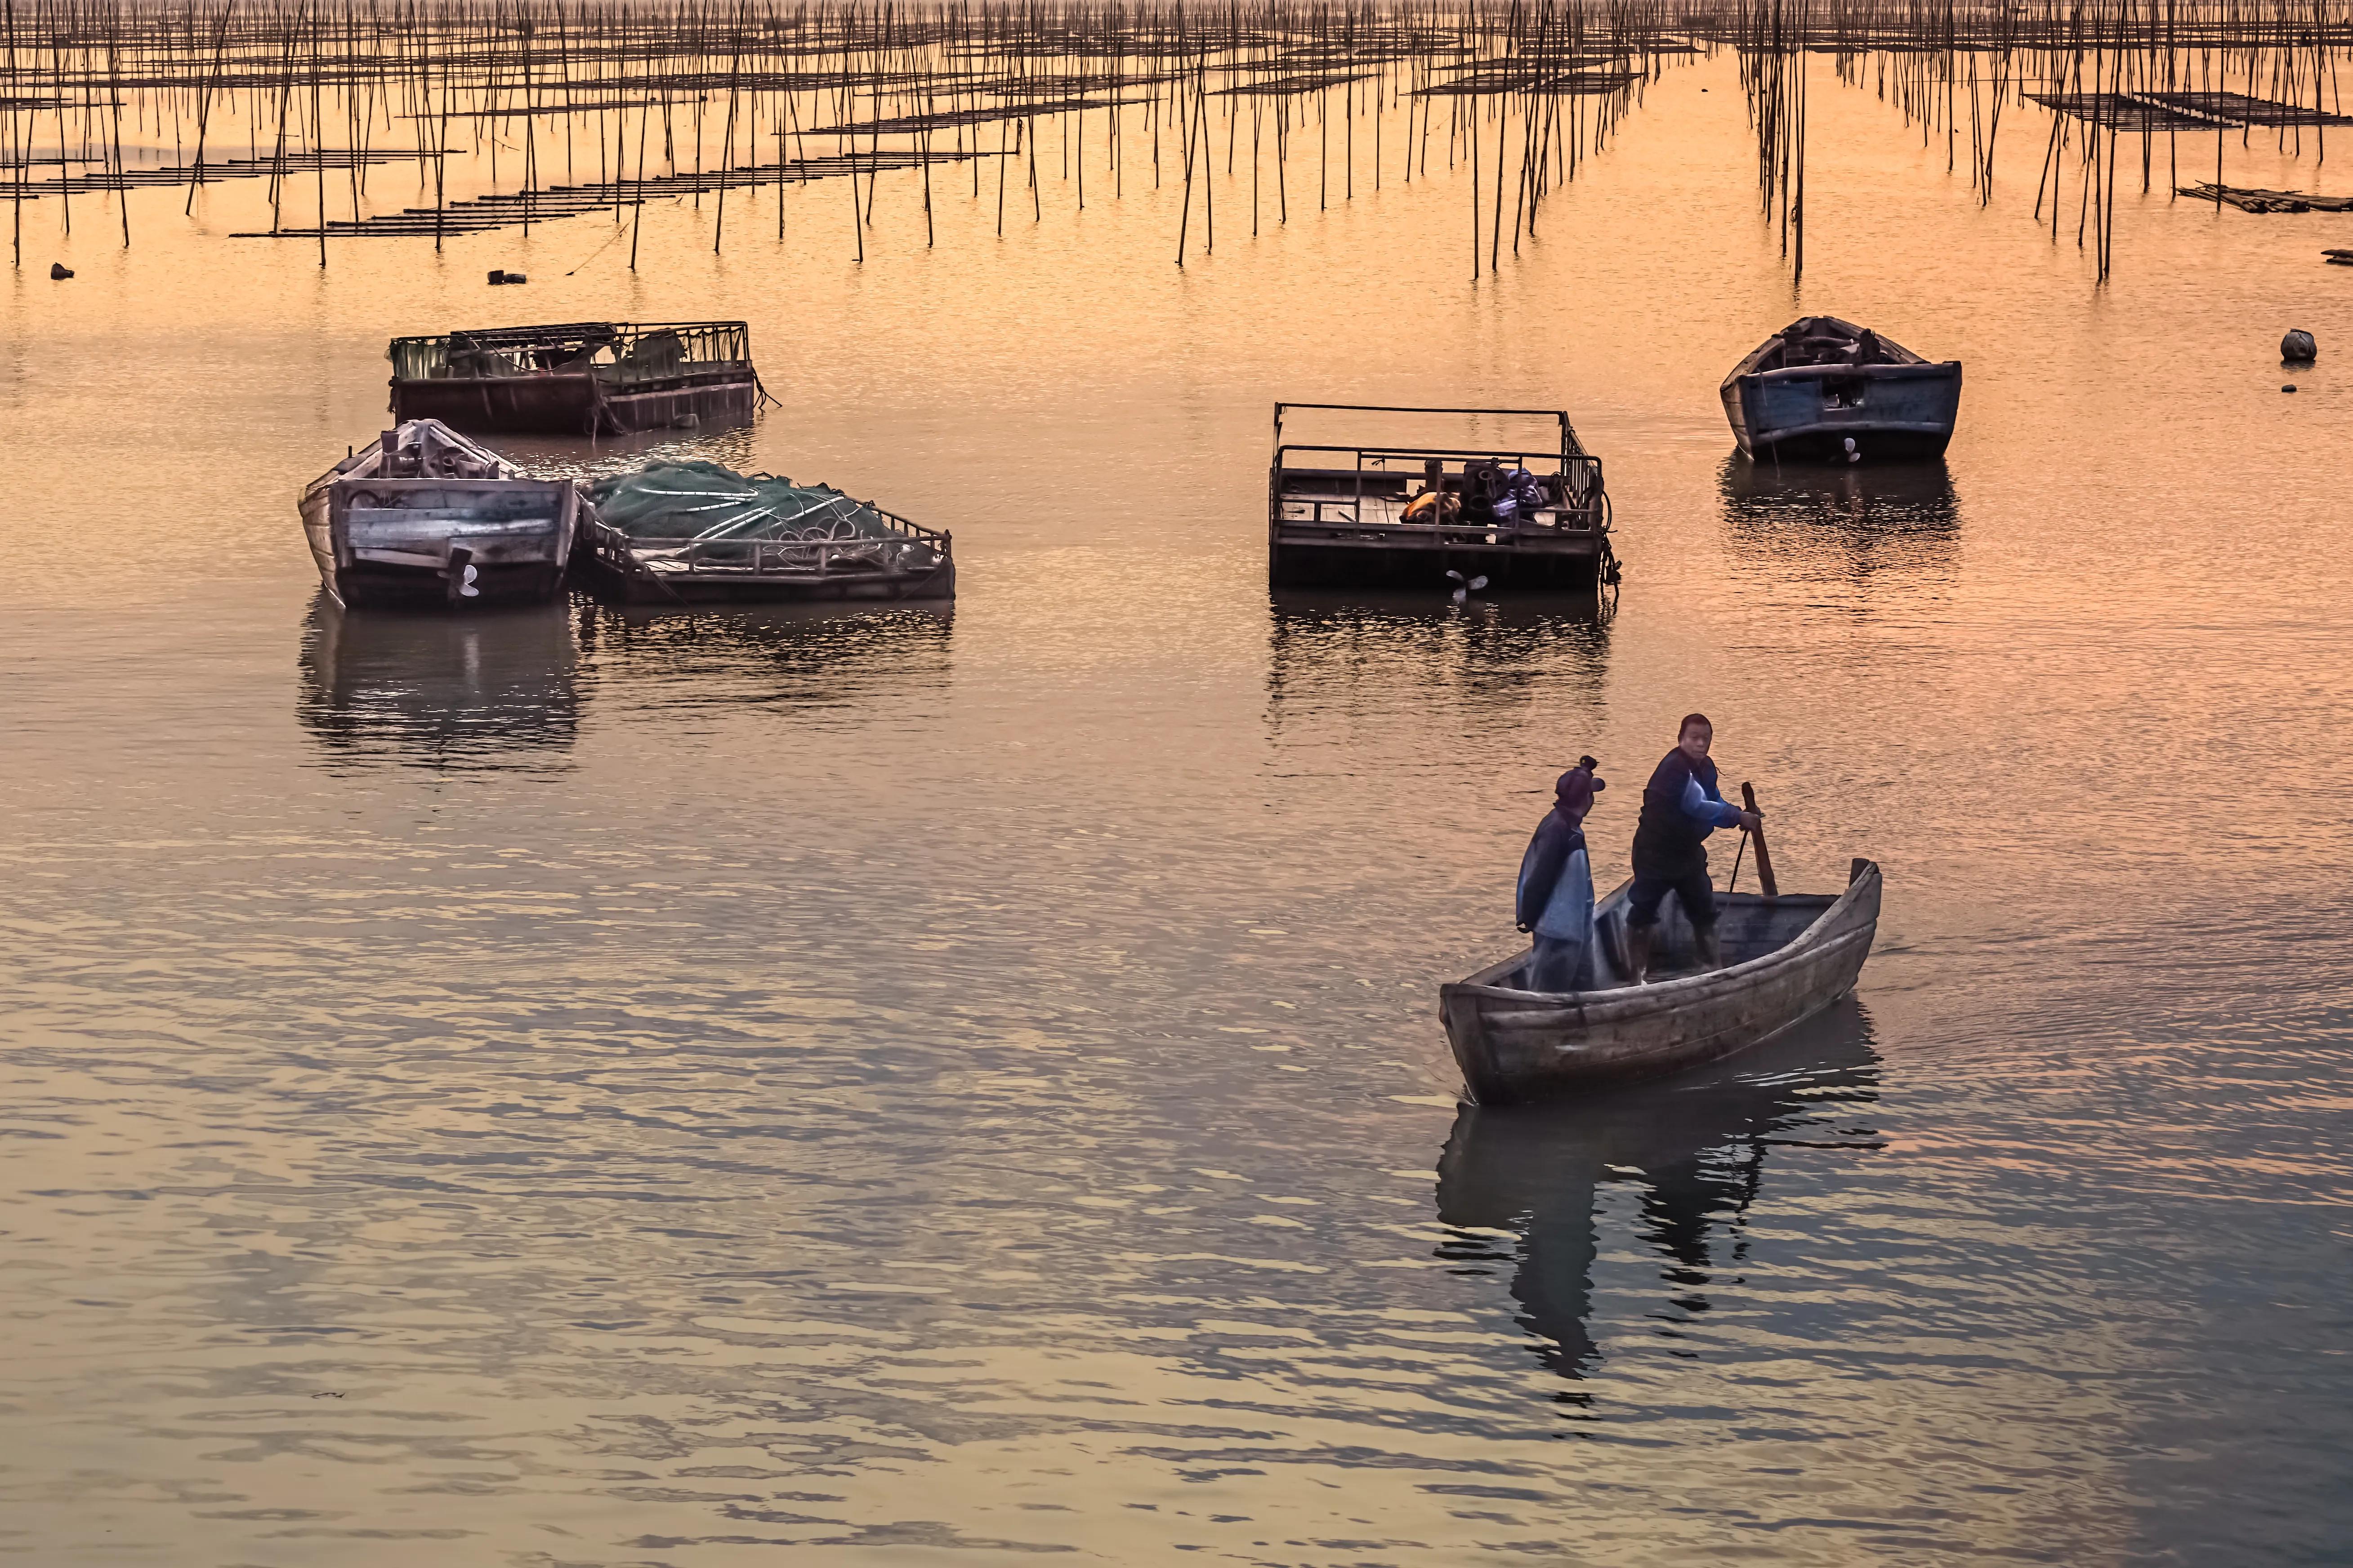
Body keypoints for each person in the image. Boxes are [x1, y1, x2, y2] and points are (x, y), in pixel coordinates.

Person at [1626, 714, 1760, 983]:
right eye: (1694, 738)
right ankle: (1634, 977)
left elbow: (1713, 799)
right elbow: (1697, 806)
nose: (1700, 745)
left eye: (1706, 739)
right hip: (1655, 852)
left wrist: (1737, 812)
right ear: (1681, 740)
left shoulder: (1707, 767)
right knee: (1643, 912)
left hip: (1688, 853)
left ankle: (1711, 967)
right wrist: (1737, 817)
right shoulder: (1674, 769)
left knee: (1704, 911)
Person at [1515, 757, 1605, 992]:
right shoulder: (1559, 831)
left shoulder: (1566, 826)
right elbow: (1540, 879)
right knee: (1547, 995)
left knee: (1583, 988)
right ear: (1587, 799)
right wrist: (1529, 917)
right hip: (1558, 930)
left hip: (1575, 926)